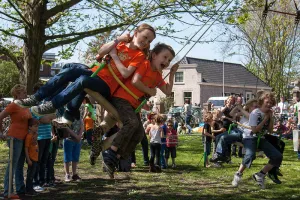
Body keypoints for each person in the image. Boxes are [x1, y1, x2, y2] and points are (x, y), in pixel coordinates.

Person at [14, 23, 156, 126]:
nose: (146, 42)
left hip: (107, 85)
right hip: (96, 73)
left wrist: (114, 56)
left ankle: (53, 105)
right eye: (145, 37)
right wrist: (118, 40)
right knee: (69, 69)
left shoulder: (139, 56)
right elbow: (100, 52)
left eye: (149, 41)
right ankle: (36, 98)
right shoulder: (120, 44)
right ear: (136, 33)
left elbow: (125, 74)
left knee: (83, 80)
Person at [100, 43, 179, 178]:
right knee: (132, 123)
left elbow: (167, 91)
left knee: (139, 135)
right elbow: (136, 81)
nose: (166, 62)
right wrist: (149, 90)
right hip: (121, 98)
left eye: (169, 60)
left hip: (132, 105)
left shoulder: (157, 75)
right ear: (154, 55)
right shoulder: (145, 65)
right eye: (165, 57)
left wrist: (172, 74)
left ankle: (116, 157)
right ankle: (110, 153)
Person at [231, 91, 283, 189]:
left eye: (271, 103)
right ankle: (238, 174)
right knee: (250, 155)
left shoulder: (268, 114)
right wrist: (264, 120)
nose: (269, 104)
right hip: (249, 137)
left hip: (261, 138)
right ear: (262, 101)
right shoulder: (255, 113)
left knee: (277, 156)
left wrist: (270, 118)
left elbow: (270, 131)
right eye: (267, 102)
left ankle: (260, 174)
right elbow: (254, 130)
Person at [0, 84, 32, 199]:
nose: (25, 94)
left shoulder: (25, 105)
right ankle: (7, 192)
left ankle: (19, 189)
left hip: (24, 138)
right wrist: (1, 132)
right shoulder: (14, 105)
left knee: (19, 165)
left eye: (25, 92)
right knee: (12, 165)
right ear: (17, 94)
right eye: (23, 92)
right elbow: (1, 116)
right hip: (15, 137)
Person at [24, 118, 40, 196]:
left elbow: (35, 144)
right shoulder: (28, 136)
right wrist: (28, 159)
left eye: (37, 127)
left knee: (33, 174)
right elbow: (26, 148)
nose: (37, 128)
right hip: (31, 158)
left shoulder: (34, 135)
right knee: (30, 175)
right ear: (30, 127)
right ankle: (28, 189)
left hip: (35, 157)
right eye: (35, 126)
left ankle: (31, 188)